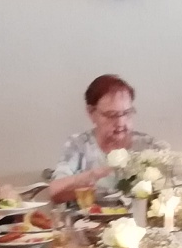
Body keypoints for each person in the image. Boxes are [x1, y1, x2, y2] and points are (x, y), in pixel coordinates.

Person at [47, 74, 162, 205]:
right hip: (86, 223)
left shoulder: (146, 145)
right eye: (111, 115)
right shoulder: (79, 145)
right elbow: (54, 192)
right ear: (91, 113)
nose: (121, 122)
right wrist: (90, 176)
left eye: (127, 113)